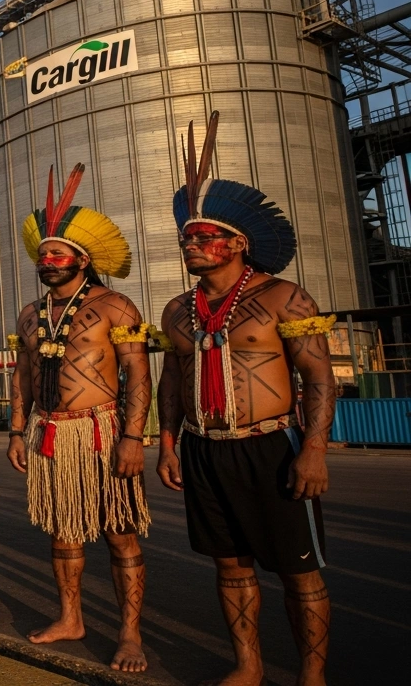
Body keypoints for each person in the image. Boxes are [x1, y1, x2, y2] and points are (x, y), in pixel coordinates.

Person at [156, 112, 336, 686]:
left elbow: (319, 378)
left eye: (205, 236)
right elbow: (169, 382)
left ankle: (312, 675)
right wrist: (167, 444)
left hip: (272, 450)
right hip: (206, 450)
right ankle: (249, 666)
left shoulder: (285, 297)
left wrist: (314, 450)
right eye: (187, 236)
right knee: (230, 566)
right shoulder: (177, 311)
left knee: (298, 571)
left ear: (239, 243)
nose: (192, 244)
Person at [8, 164, 151, 672]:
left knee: (119, 531)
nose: (47, 262)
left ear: (83, 260)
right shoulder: (29, 315)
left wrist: (134, 437)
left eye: (58, 254)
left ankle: (129, 635)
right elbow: (24, 376)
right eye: (43, 255)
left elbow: (137, 375)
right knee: (63, 530)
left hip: (100, 430)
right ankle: (71, 618)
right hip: (48, 430)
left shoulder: (116, 306)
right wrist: (19, 430)